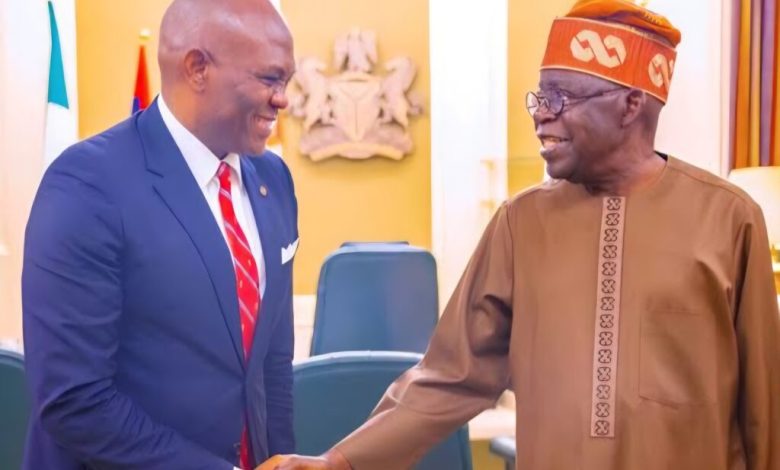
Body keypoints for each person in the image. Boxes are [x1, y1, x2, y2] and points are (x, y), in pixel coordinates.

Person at [262, 1, 780, 469]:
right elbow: (449, 377)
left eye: (561, 97)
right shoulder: (521, 223)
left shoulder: (729, 219)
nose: (541, 114)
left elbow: (765, 412)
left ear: (630, 105)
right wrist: (340, 462)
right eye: (540, 97)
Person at [22, 0, 297, 468]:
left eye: (287, 81)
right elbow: (75, 399)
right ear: (197, 68)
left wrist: (283, 459)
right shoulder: (87, 184)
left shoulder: (274, 180)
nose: (283, 99)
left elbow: (272, 363)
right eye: (270, 79)